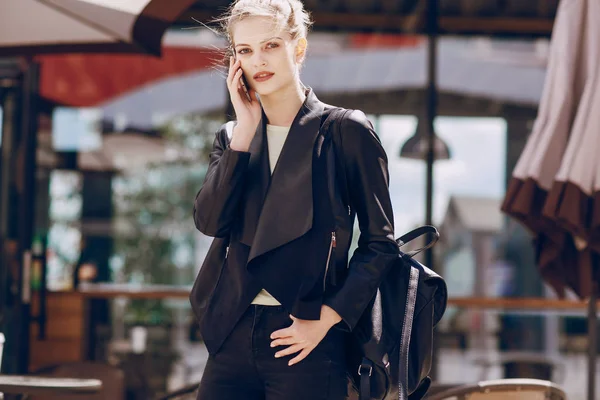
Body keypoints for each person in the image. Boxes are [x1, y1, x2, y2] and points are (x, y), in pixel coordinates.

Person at [190, 1, 398, 398]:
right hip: (231, 333)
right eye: (245, 50)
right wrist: (246, 130)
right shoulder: (233, 136)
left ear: (298, 48)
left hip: (307, 336)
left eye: (270, 45)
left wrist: (325, 320)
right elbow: (210, 222)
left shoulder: (344, 131)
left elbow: (380, 244)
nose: (258, 60)